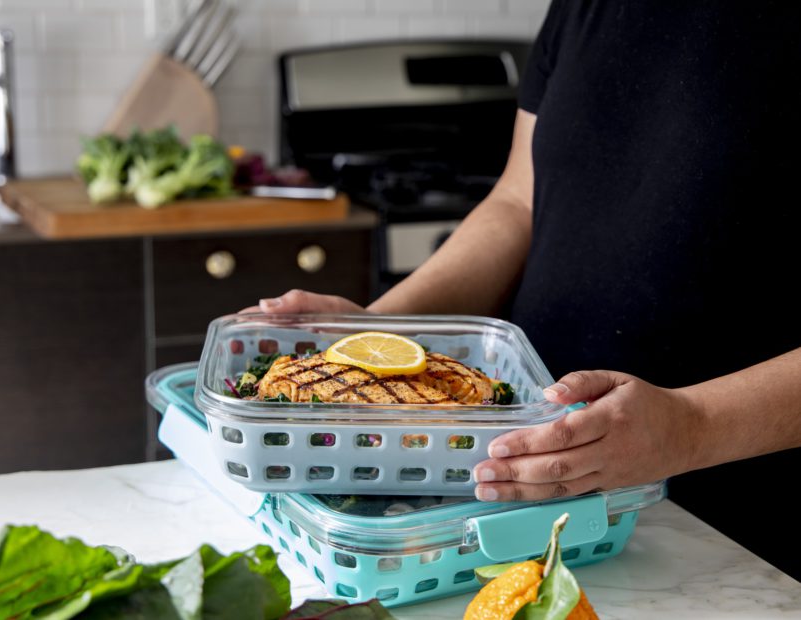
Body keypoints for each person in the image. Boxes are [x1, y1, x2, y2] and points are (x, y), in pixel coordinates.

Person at [244, 2, 801, 579]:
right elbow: (519, 202)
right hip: (526, 496)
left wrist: (691, 426)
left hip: (740, 535)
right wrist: (378, 329)